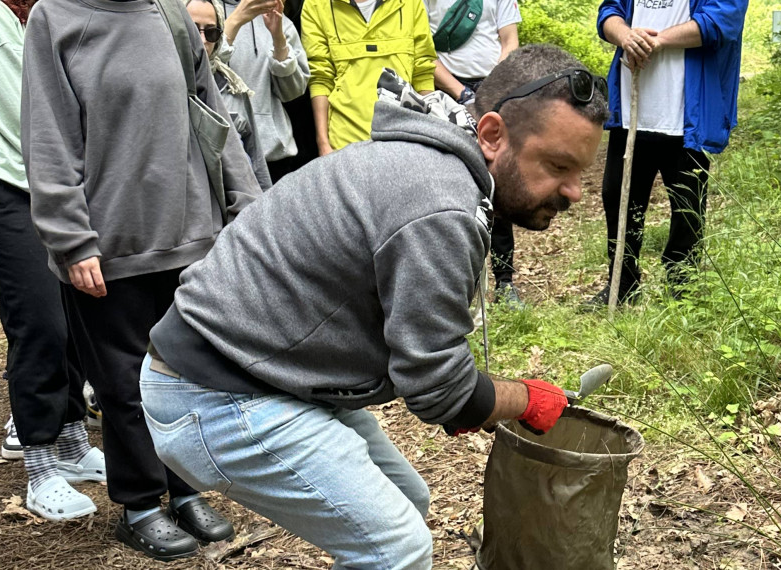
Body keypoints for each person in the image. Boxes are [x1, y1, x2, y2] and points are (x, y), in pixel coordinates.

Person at [141, 44, 608, 567]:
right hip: (213, 392)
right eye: (558, 166)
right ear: (493, 134)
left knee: (410, 503)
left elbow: (431, 373)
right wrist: (524, 399)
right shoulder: (441, 205)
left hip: (266, 371)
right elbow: (439, 391)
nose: (574, 192)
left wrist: (470, 397)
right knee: (396, 551)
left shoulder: (436, 165)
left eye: (581, 172)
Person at [22, 0, 262, 559]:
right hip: (109, 245)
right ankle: (139, 506)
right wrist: (70, 237)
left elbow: (212, 116)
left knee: (190, 376)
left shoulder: (171, 14)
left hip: (191, 232)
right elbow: (48, 135)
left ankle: (184, 489)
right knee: (124, 385)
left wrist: (245, 205)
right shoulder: (54, 18)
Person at [0, 0, 109, 523]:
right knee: (39, 322)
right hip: (8, 187)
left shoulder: (25, 14)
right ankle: (40, 467)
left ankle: (69, 440)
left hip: (46, 187)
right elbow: (27, 115)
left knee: (71, 318)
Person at [586, 0, 747, 306]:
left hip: (687, 115)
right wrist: (625, 36)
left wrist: (656, 41)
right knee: (617, 196)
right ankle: (622, 284)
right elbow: (609, 12)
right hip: (633, 108)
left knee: (687, 208)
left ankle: (682, 291)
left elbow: (721, 20)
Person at [426, 0, 523, 307]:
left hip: (493, 90)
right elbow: (424, 51)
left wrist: (494, 88)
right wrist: (461, 92)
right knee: (448, 186)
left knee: (497, 183)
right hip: (446, 94)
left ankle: (505, 281)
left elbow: (510, 40)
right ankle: (455, 282)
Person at [302, 0, 436, 153]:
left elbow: (423, 72)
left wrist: (432, 136)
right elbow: (320, 78)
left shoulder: (410, 3)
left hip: (406, 138)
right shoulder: (316, 5)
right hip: (345, 142)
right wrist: (323, 144)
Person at [187, 0, 273, 189]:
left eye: (211, 32)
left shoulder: (233, 87)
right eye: (193, 30)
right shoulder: (165, 85)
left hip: (236, 204)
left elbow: (256, 162)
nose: (202, 40)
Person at [220, 0, 309, 182]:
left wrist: (278, 40)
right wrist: (235, 20)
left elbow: (293, 92)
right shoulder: (202, 11)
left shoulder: (276, 17)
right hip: (221, 152)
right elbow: (197, 72)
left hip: (272, 154)